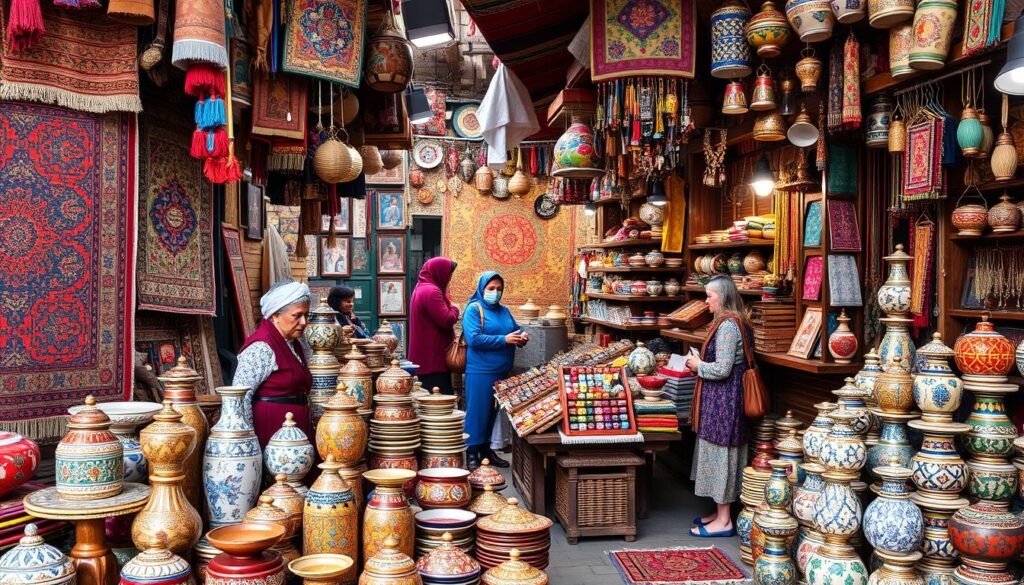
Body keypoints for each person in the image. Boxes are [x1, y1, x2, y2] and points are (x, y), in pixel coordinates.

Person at [683, 275, 752, 538]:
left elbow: (723, 369)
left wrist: (697, 365)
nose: (706, 301)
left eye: (709, 296)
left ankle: (724, 521)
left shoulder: (727, 327)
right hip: (723, 399)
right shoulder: (732, 323)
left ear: (721, 297)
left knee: (722, 453)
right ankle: (719, 512)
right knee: (717, 451)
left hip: (725, 401)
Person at [233, 280, 313, 447]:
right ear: (275, 315)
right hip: (271, 434)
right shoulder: (261, 347)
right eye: (297, 316)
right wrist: (248, 441)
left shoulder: (294, 343)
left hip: (295, 433)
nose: (304, 322)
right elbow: (241, 397)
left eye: (306, 315)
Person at [462, 272, 527, 470]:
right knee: (477, 412)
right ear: (482, 289)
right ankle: (472, 452)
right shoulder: (474, 310)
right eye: (491, 289)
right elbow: (474, 339)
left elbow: (515, 328)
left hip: (501, 371)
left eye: (499, 289)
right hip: (481, 371)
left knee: (492, 413)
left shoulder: (504, 310)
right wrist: (504, 340)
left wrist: (522, 335)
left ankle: (486, 450)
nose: (495, 293)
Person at [408, 258, 459, 394]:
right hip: (433, 361)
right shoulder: (431, 291)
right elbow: (447, 319)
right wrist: (455, 308)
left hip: (426, 360)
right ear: (440, 272)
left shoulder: (422, 287)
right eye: (449, 274)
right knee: (438, 404)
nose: (449, 278)